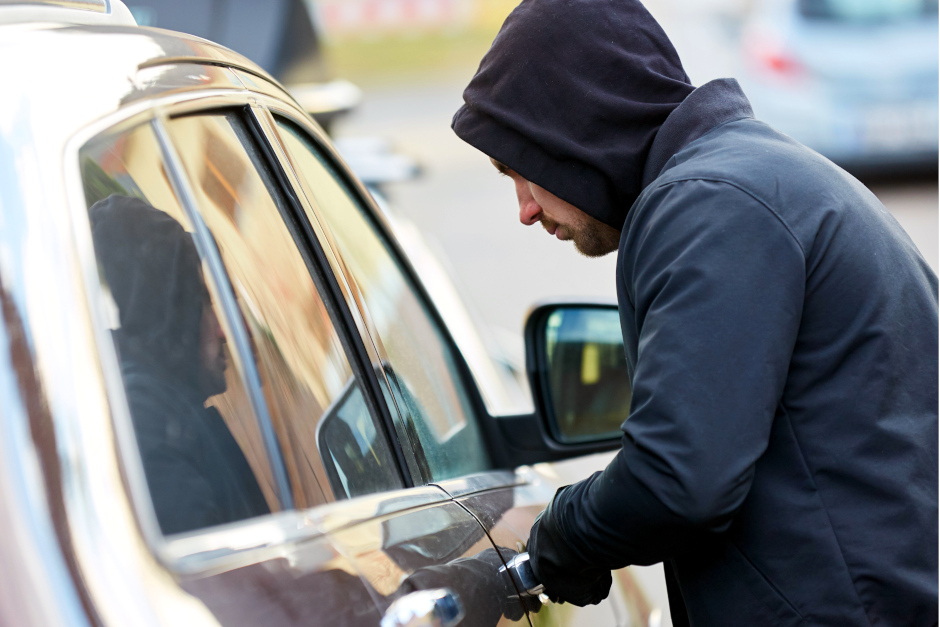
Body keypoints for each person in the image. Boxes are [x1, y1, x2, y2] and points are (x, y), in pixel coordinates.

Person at [451, 1, 938, 625]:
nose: (524, 208)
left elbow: (675, 479)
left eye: (520, 171)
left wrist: (540, 553)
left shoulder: (709, 206)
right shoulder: (760, 179)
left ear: (570, 130)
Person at [90, 195, 270, 535]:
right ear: (169, 311)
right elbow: (216, 580)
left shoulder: (166, 406)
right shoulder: (146, 419)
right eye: (203, 302)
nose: (222, 330)